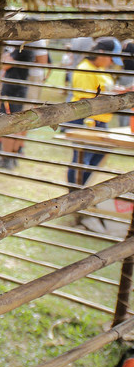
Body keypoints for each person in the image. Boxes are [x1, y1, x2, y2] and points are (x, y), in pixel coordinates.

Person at [66, 38, 120, 234]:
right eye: (111, 58)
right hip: (87, 120)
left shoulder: (101, 70)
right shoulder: (84, 68)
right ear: (102, 53)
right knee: (82, 158)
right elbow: (86, 97)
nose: (112, 62)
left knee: (97, 156)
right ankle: (73, 197)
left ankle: (79, 193)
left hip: (100, 120)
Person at [0, 42, 37, 170]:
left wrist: (5, 57)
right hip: (16, 90)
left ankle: (7, 158)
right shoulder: (24, 50)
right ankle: (10, 156)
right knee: (15, 124)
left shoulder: (24, 50)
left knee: (9, 124)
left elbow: (4, 65)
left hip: (13, 91)